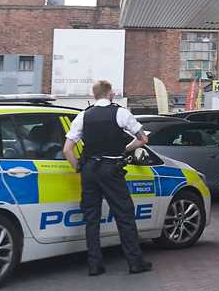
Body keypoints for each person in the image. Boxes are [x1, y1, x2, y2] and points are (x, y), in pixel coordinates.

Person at [62, 80, 152, 276]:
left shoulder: (83, 116)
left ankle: (94, 265)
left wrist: (78, 167)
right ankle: (135, 262)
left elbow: (67, 149)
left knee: (91, 217)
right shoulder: (120, 113)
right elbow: (143, 138)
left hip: (89, 169)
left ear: (94, 95)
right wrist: (124, 149)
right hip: (111, 169)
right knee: (124, 214)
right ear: (110, 94)